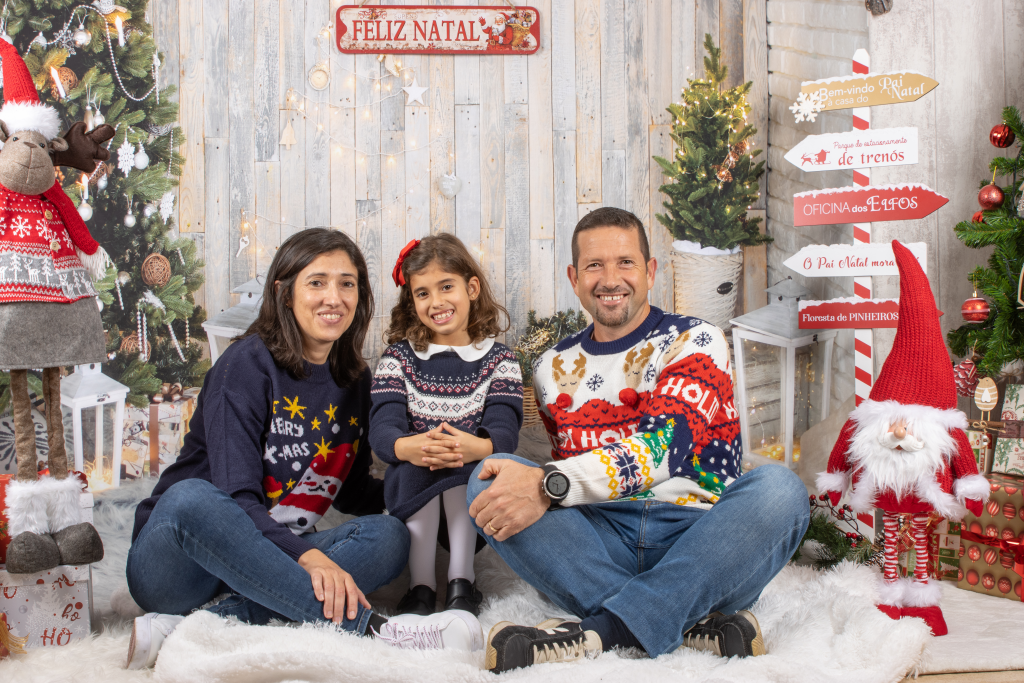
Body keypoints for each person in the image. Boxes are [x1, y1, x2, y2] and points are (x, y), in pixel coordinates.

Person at [466, 207, 811, 673]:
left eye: (625, 262)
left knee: (780, 490)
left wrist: (547, 484)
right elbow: (567, 473)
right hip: (601, 541)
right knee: (488, 478)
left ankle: (607, 629)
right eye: (594, 265)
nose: (611, 279)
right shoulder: (551, 368)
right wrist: (535, 486)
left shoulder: (697, 340)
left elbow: (661, 448)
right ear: (574, 278)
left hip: (701, 541)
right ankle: (680, 618)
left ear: (650, 271)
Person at [124, 229, 483, 670]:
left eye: (347, 283)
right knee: (191, 498)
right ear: (284, 293)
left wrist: (433, 482)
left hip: (271, 559)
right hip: (179, 564)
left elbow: (352, 492)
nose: (334, 298)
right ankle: (378, 632)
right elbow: (238, 501)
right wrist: (308, 557)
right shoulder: (245, 366)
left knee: (390, 537)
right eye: (317, 282)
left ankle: (202, 624)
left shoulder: (355, 380)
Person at [370, 234, 523, 617]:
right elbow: (384, 426)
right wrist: (410, 447)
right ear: (412, 301)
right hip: (414, 470)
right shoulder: (398, 359)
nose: (436, 301)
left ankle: (461, 580)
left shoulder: (500, 360)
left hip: (468, 470)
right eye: (422, 293)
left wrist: (477, 447)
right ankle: (421, 585)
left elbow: (504, 427)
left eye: (446, 287)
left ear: (471, 288)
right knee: (414, 469)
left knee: (464, 470)